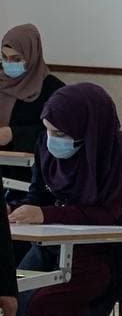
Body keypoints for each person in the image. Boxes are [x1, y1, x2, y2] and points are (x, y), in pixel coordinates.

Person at [9, 84, 122, 316]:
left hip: (98, 257)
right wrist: (22, 210)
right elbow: (37, 194)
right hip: (49, 249)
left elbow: (109, 214)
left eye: (61, 134)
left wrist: (46, 214)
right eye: (49, 131)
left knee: (41, 310)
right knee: (12, 301)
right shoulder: (46, 142)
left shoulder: (118, 149)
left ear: (86, 129)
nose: (53, 140)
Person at [0, 23, 64, 193]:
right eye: (4, 57)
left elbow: (60, 134)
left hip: (31, 177)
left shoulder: (53, 90)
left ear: (32, 56)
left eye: (16, 59)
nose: (8, 64)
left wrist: (14, 134)